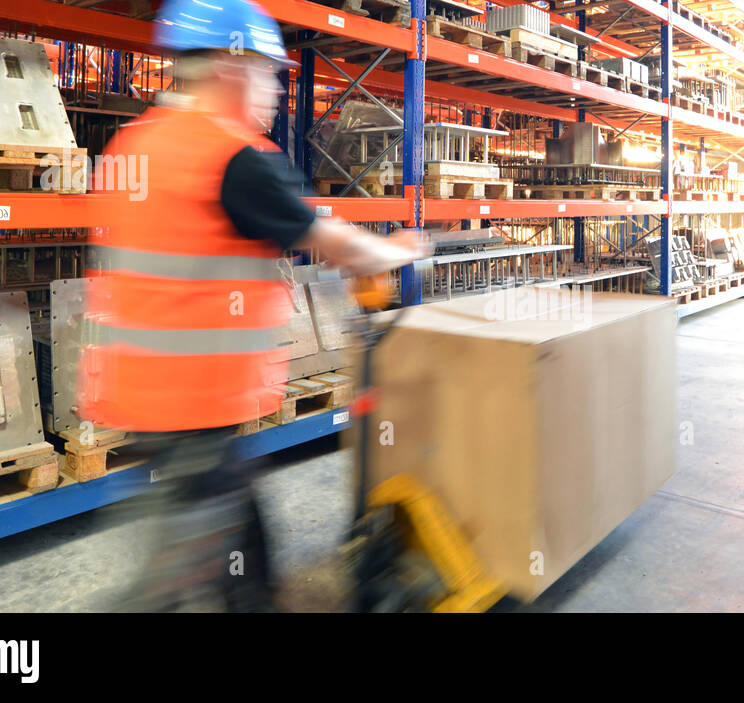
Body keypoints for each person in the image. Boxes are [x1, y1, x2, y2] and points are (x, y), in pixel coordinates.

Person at [79, 0, 428, 611]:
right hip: (193, 401)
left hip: (144, 390)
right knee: (172, 577)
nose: (274, 90)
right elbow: (329, 240)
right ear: (230, 66)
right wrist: (395, 249)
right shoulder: (231, 156)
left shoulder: (134, 144)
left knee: (240, 549)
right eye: (270, 73)